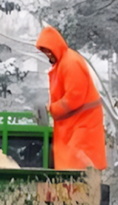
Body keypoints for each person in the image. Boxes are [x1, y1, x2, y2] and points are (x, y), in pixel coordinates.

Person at [35, 25, 107, 171]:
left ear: (55, 46)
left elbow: (74, 98)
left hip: (83, 124)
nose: (47, 54)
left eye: (48, 50)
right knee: (70, 165)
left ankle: (81, 190)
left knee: (77, 163)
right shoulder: (63, 64)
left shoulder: (71, 63)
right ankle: (73, 190)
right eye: (45, 51)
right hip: (75, 124)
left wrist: (51, 109)